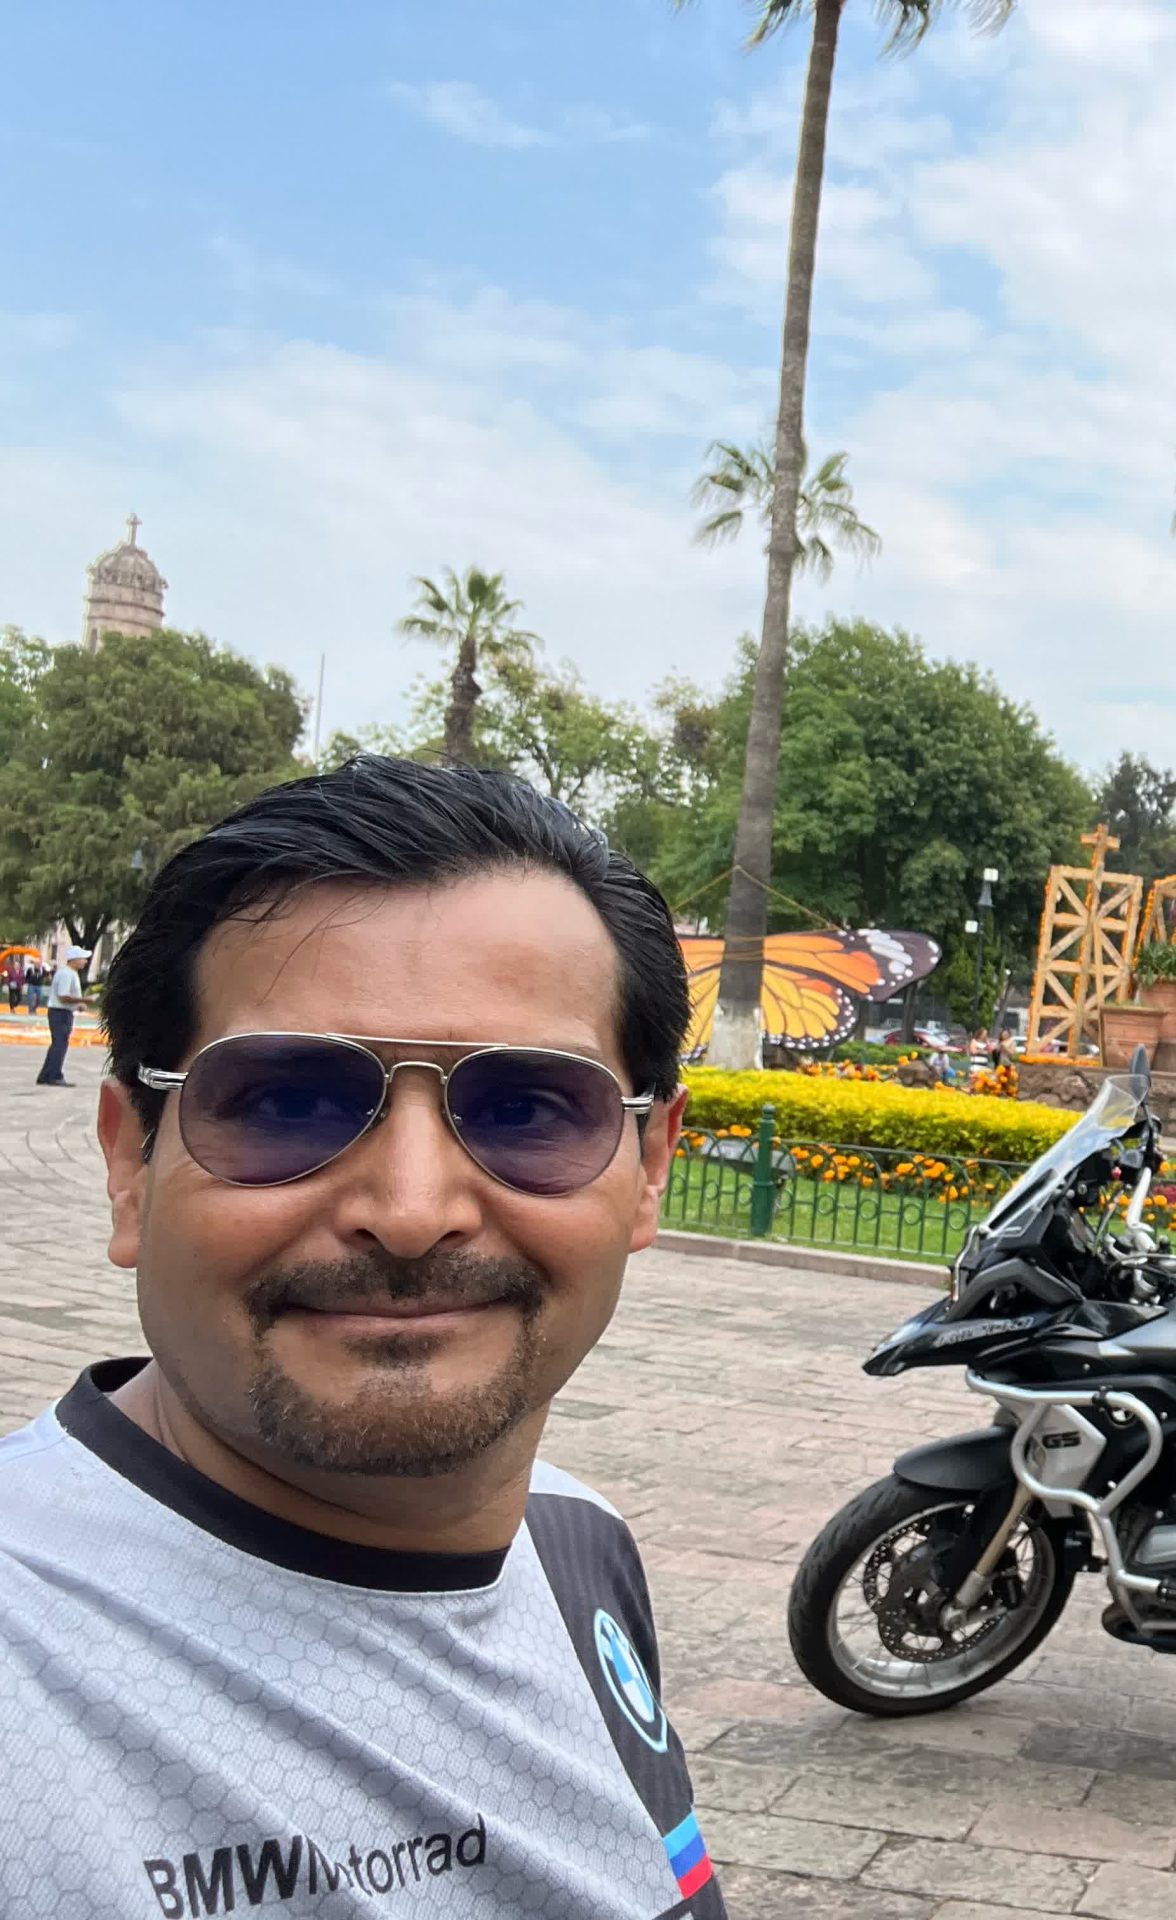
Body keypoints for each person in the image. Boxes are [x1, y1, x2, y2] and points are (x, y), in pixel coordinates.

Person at [0, 757, 723, 1914]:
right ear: (131, 1162)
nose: (412, 1208)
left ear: (648, 1168)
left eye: (527, 1108)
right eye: (288, 1101)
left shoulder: (577, 1545)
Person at [35, 945, 89, 1086]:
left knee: (57, 1043)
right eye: (83, 958)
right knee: (60, 1044)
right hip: (60, 1013)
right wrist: (84, 1000)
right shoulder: (66, 974)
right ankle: (55, 1075)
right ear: (74, 959)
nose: (85, 961)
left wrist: (78, 1005)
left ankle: (46, 1074)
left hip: (63, 1011)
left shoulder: (71, 973)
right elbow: (63, 997)